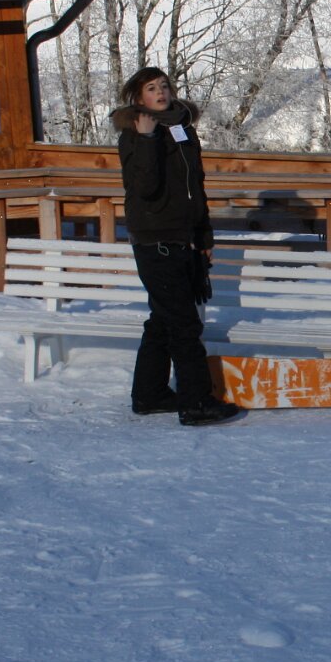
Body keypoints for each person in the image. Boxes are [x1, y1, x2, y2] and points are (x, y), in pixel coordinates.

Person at [111, 67, 240, 427]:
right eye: (152, 88)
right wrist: (147, 138)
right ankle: (196, 402)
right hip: (155, 239)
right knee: (183, 323)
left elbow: (194, 187)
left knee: (164, 320)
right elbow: (144, 187)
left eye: (164, 85)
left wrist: (204, 236)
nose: (161, 92)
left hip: (183, 237)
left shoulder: (183, 129)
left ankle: (149, 394)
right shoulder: (134, 134)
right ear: (138, 97)